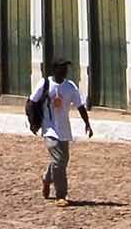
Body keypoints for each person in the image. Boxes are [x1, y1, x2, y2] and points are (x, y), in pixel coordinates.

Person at [30, 59, 92, 203]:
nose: (65, 71)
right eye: (62, 68)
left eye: (66, 69)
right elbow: (32, 102)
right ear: (55, 69)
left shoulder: (70, 87)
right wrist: (33, 122)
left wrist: (87, 123)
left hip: (64, 129)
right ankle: (61, 195)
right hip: (49, 129)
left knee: (62, 161)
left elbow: (80, 106)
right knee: (59, 161)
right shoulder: (45, 84)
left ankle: (46, 178)